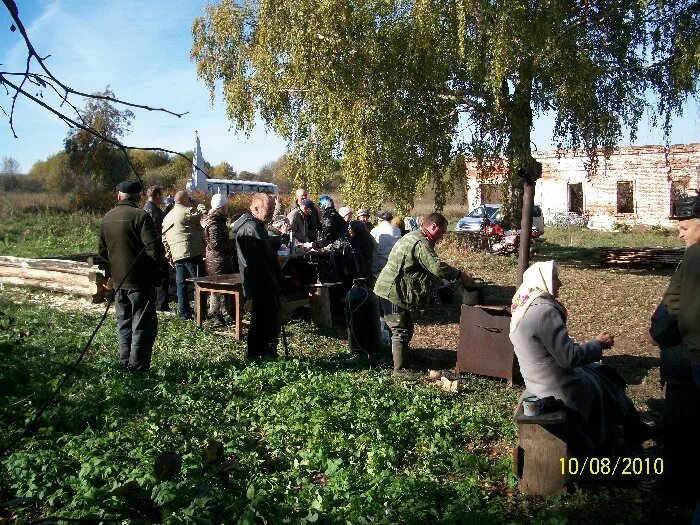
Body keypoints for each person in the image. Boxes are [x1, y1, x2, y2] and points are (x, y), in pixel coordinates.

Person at [509, 261, 653, 454]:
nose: (559, 283)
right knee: (600, 379)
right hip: (556, 385)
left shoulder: (524, 304)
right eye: (555, 278)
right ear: (541, 280)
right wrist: (598, 344)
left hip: (537, 378)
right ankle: (607, 440)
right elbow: (568, 358)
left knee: (597, 371)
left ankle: (631, 424)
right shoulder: (544, 311)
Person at [374, 212, 473, 371]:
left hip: (393, 288)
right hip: (393, 291)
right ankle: (400, 370)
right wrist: (461, 275)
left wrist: (434, 278)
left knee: (406, 327)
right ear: (433, 226)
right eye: (442, 232)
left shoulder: (415, 235)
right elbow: (437, 267)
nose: (442, 237)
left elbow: (418, 265)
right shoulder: (421, 242)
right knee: (400, 331)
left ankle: (400, 359)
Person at [658, 195, 700, 499]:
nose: (680, 232)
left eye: (685, 227)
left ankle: (677, 483)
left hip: (689, 358)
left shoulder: (694, 258)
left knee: (680, 423)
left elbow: (670, 309)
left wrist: (661, 331)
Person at [98, 180, 159, 373]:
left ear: (118, 196)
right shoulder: (140, 216)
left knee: (123, 323)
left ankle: (125, 362)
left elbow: (102, 252)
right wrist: (156, 271)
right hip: (140, 282)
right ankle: (138, 367)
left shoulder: (107, 217)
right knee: (142, 325)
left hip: (118, 281)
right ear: (139, 197)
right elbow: (154, 249)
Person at [231, 193, 286, 359]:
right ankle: (257, 353)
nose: (271, 214)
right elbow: (258, 262)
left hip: (262, 281)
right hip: (260, 282)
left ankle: (262, 351)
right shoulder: (251, 227)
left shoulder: (258, 225)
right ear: (255, 209)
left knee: (264, 317)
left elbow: (266, 247)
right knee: (262, 318)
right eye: (268, 210)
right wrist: (274, 283)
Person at [162, 191, 206, 320]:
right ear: (186, 200)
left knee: (181, 285)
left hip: (176, 254)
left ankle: (184, 314)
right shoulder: (187, 211)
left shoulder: (167, 217)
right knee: (200, 283)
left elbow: (164, 238)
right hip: (192, 252)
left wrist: (169, 254)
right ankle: (200, 313)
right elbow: (202, 212)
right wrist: (196, 202)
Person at [203, 193, 236, 327]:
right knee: (217, 289)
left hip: (220, 259)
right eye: (226, 206)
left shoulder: (218, 220)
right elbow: (216, 244)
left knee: (222, 289)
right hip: (217, 261)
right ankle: (216, 315)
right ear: (222, 207)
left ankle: (224, 313)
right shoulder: (214, 223)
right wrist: (232, 244)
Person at [143, 185, 170, 312]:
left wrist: (168, 209)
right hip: (156, 247)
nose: (163, 198)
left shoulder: (147, 208)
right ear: (157, 195)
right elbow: (156, 229)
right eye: (162, 195)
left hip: (150, 247)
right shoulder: (152, 210)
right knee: (162, 277)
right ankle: (161, 306)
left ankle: (158, 304)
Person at [370, 210, 402, 278]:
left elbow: (371, 250)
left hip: (379, 266)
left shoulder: (375, 231)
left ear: (379, 220)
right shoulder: (397, 230)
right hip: (394, 265)